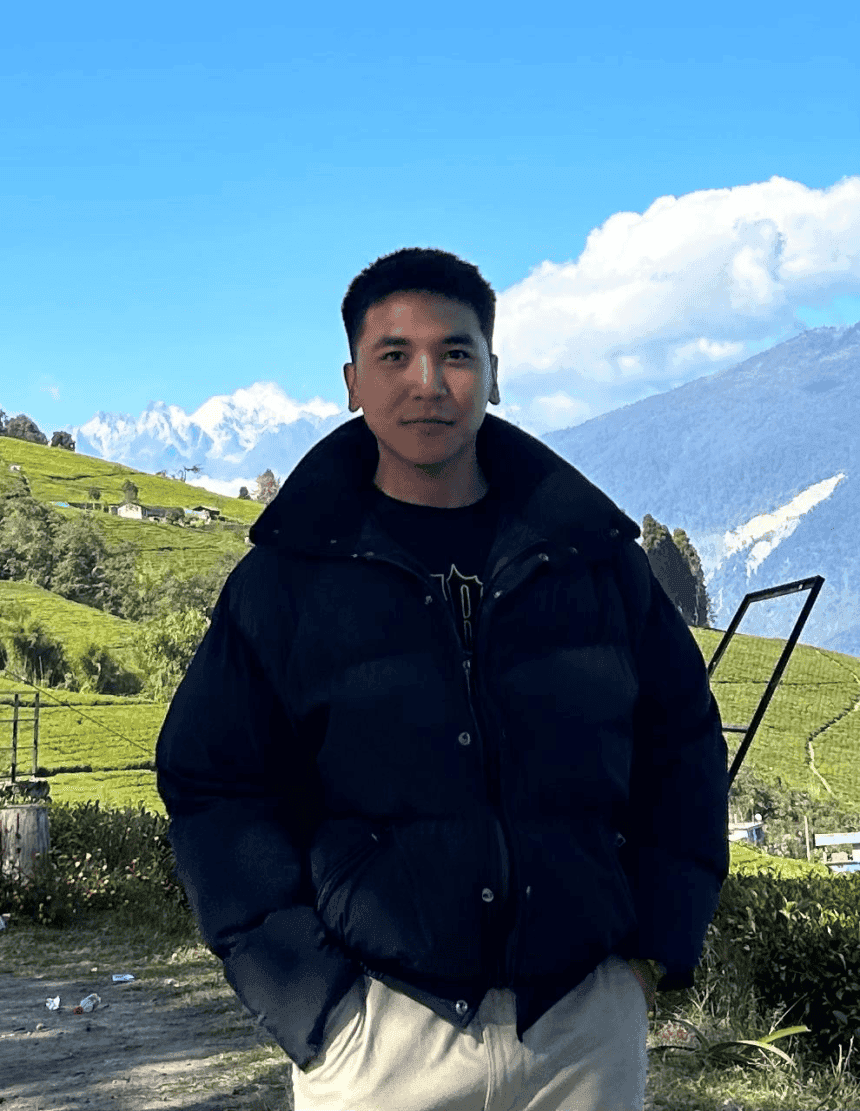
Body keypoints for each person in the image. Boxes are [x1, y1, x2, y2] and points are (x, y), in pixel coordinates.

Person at [155, 247, 730, 1111]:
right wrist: (313, 999)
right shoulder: (286, 582)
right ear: (352, 382)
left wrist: (652, 951)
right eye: (394, 355)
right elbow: (210, 780)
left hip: (583, 1028)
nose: (427, 382)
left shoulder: (592, 562)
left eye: (455, 353)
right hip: (381, 1041)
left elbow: (683, 743)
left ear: (494, 374)